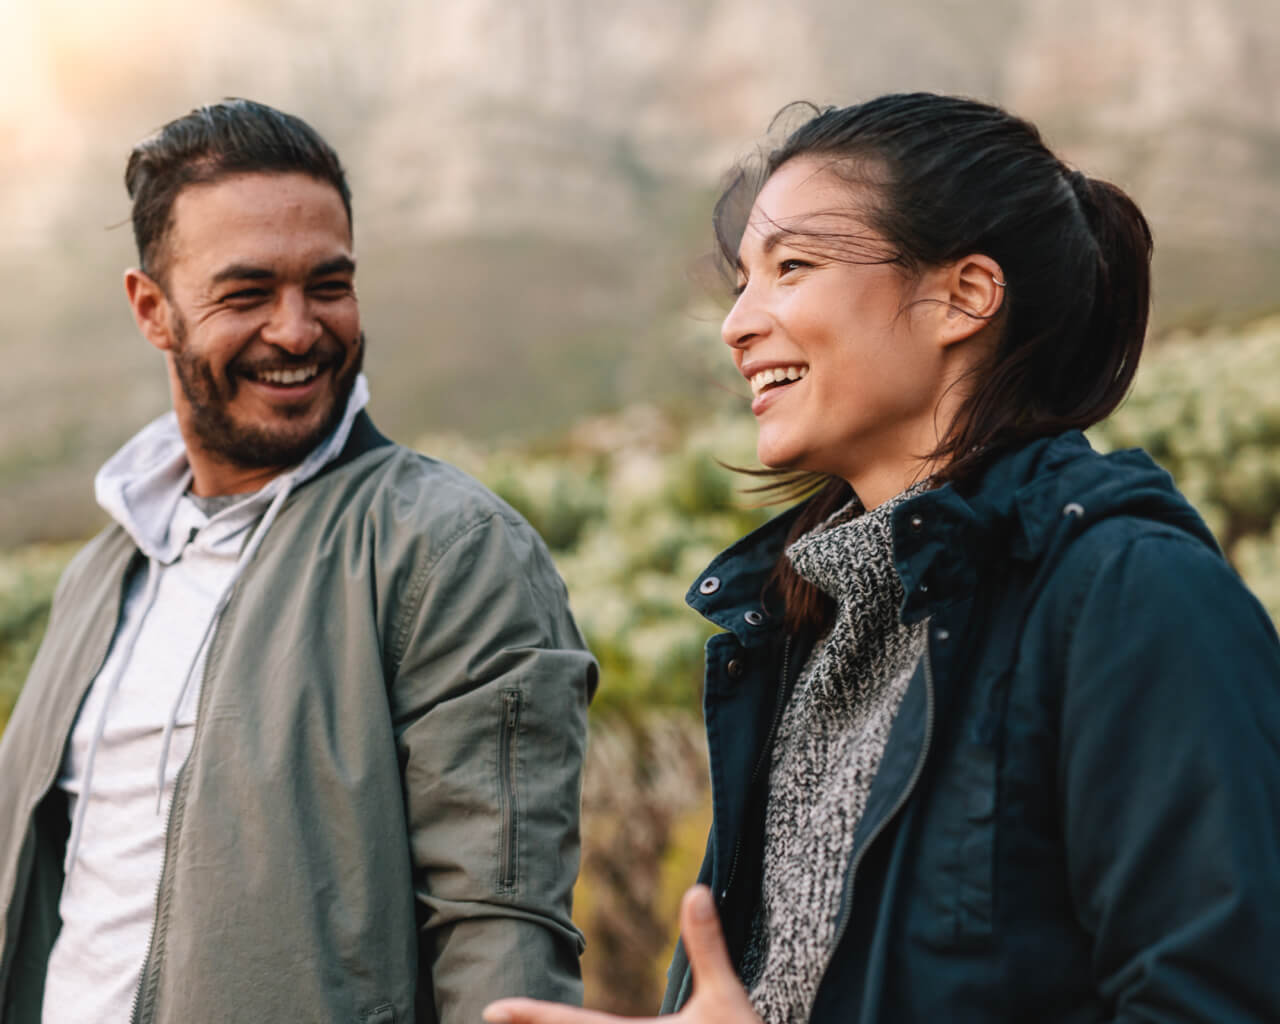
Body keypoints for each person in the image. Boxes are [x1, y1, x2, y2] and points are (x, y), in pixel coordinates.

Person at [483, 93, 1280, 1024]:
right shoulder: (801, 627)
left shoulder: (1135, 596)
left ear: (964, 297)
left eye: (793, 267)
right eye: (742, 280)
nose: (739, 324)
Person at [0, 99, 597, 1024]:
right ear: (152, 311)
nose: (296, 330)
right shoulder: (103, 570)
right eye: (247, 294)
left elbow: (499, 933)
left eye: (328, 284)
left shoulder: (449, 552)